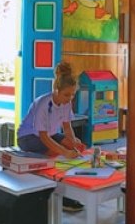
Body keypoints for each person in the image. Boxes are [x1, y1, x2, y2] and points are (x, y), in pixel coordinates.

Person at [17, 61, 87, 210]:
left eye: (73, 95)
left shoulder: (67, 103)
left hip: (50, 134)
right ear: (56, 90)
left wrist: (73, 142)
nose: (70, 98)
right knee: (57, 153)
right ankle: (59, 195)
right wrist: (65, 152)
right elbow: (43, 137)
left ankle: (71, 189)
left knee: (73, 145)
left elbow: (67, 127)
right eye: (66, 94)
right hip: (28, 137)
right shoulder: (43, 103)